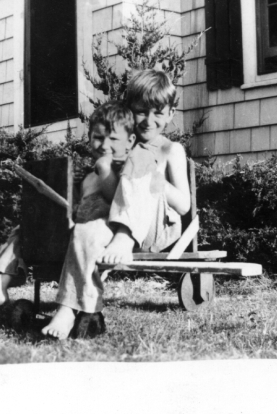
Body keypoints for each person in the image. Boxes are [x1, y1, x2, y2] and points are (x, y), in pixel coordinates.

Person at [42, 69, 191, 339]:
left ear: (170, 114)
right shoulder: (122, 145)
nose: (149, 120)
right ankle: (68, 309)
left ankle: (124, 236)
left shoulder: (171, 150)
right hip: (116, 221)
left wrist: (153, 178)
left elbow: (183, 206)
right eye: (141, 112)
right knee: (86, 231)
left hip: (154, 230)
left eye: (158, 113)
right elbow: (113, 198)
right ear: (129, 110)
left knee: (140, 160)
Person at [0, 101, 135, 313]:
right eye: (98, 137)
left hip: (97, 237)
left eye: (113, 139)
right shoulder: (89, 174)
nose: (104, 145)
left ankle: (10, 253)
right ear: (89, 138)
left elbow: (118, 202)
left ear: (130, 141)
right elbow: (75, 206)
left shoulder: (125, 170)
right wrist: (73, 192)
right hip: (74, 230)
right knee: (27, 228)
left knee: (30, 233)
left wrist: (105, 169)